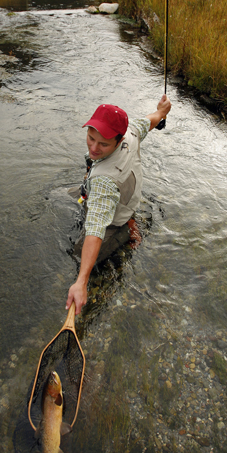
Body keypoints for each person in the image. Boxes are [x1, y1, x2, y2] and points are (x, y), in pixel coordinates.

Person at [66, 94, 172, 315]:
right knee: (67, 195)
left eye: (103, 144)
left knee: (78, 254)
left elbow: (95, 229)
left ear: (118, 140)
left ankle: (125, 231)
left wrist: (81, 282)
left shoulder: (104, 183)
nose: (93, 148)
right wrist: (162, 111)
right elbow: (149, 121)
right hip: (124, 193)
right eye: (90, 137)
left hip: (115, 213)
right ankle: (129, 220)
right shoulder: (132, 131)